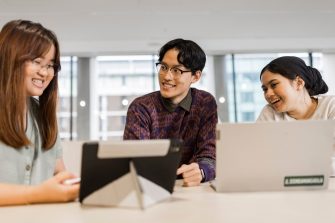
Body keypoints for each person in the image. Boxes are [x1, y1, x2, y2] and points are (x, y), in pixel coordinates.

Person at [0, 20, 79, 206]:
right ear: (10, 59)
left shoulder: (42, 115)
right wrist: (36, 194)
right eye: (37, 61)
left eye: (51, 65)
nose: (45, 73)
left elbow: (59, 173)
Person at [123, 38, 218, 187]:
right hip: (149, 188)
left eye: (176, 70)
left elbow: (210, 156)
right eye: (164, 67)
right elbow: (135, 160)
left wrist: (202, 171)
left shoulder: (205, 103)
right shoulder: (141, 107)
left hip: (192, 189)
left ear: (195, 76)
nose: (166, 77)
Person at [257, 56, 335, 121]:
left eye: (274, 84)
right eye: (265, 89)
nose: (268, 94)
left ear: (299, 83)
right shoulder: (270, 113)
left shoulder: (331, 106)